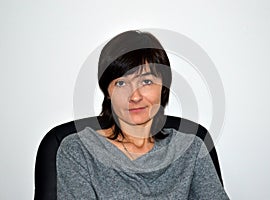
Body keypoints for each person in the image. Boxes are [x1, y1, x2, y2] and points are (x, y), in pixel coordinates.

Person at [56, 30, 229, 199]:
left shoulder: (191, 149)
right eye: (121, 83)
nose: (135, 96)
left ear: (163, 87)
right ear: (107, 91)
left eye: (146, 82)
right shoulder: (78, 150)